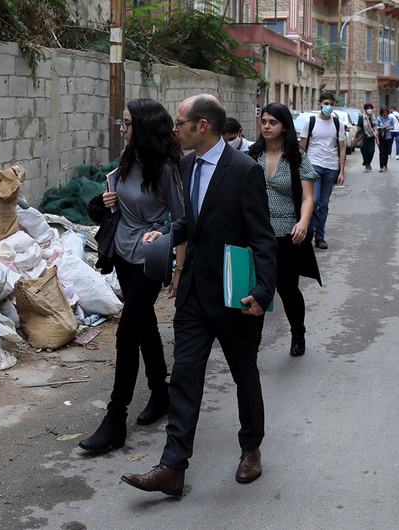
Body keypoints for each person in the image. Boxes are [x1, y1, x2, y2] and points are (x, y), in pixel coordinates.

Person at [122, 94, 276, 497]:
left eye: (180, 122)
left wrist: (262, 292)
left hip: (234, 296)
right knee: (185, 377)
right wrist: (168, 233)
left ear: (201, 125)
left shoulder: (243, 170)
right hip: (193, 294)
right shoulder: (186, 165)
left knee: (245, 374)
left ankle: (251, 448)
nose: (175, 129)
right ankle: (173, 467)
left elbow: (262, 236)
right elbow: (189, 222)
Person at [78, 99, 186, 454]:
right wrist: (107, 201)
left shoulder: (167, 169)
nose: (121, 128)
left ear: (143, 126)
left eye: (126, 123)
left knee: (127, 332)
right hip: (122, 252)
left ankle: (115, 419)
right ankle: (160, 392)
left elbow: (181, 219)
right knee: (144, 327)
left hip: (149, 258)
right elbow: (117, 201)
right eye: (121, 122)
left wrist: (177, 264)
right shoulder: (127, 159)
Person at [249, 103, 321, 357]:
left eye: (273, 122)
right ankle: (252, 342)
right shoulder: (252, 154)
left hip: (287, 234)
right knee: (257, 289)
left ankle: (298, 332)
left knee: (287, 290)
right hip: (257, 235)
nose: (267, 126)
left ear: (284, 127)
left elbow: (308, 197)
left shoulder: (296, 157)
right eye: (264, 121)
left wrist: (303, 222)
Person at [299, 92, 346, 251]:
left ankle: (320, 237)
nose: (329, 107)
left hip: (331, 168)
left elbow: (342, 148)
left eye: (332, 104)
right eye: (326, 103)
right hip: (313, 166)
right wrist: (301, 167)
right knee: (314, 200)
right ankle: (308, 232)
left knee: (324, 204)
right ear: (320, 103)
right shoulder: (310, 122)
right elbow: (302, 147)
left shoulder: (337, 123)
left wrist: (341, 171)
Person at [355, 103, 377, 172]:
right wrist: (354, 137)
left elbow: (375, 127)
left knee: (371, 151)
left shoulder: (373, 117)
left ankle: (367, 163)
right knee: (364, 152)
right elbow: (358, 127)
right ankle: (367, 165)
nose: (369, 110)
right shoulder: (361, 117)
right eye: (368, 109)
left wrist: (376, 136)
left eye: (370, 109)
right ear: (365, 110)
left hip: (371, 137)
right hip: (363, 137)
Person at [375, 106, 395, 172]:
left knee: (386, 152)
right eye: (383, 112)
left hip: (388, 137)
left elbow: (393, 127)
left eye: (386, 112)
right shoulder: (379, 118)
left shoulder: (390, 118)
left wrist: (388, 127)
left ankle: (385, 165)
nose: (385, 113)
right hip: (381, 137)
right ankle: (381, 166)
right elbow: (376, 127)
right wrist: (381, 127)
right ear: (381, 112)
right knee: (381, 152)